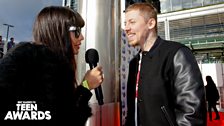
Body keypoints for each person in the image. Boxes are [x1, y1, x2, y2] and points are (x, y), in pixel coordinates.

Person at [0, 6, 103, 125]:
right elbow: (65, 118)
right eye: (77, 31)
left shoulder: (37, 62)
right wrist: (85, 86)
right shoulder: (43, 67)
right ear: (59, 31)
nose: (81, 37)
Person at [124, 3, 206, 126]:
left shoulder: (177, 54)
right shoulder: (133, 63)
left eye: (132, 22)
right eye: (125, 23)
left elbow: (191, 112)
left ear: (151, 23)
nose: (126, 28)